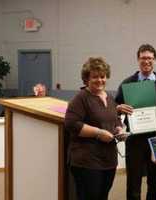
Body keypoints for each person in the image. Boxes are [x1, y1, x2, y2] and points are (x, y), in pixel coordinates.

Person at [64, 57, 125, 200]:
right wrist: (98, 133)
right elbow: (71, 124)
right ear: (86, 79)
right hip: (87, 161)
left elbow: (115, 120)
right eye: (95, 77)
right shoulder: (81, 98)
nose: (100, 80)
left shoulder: (109, 97)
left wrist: (119, 130)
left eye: (102, 76)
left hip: (108, 160)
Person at [115, 44, 156, 200]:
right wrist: (119, 108)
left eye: (149, 58)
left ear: (155, 60)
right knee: (133, 182)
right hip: (134, 139)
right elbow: (114, 107)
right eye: (143, 58)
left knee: (155, 181)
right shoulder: (127, 83)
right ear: (138, 59)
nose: (146, 61)